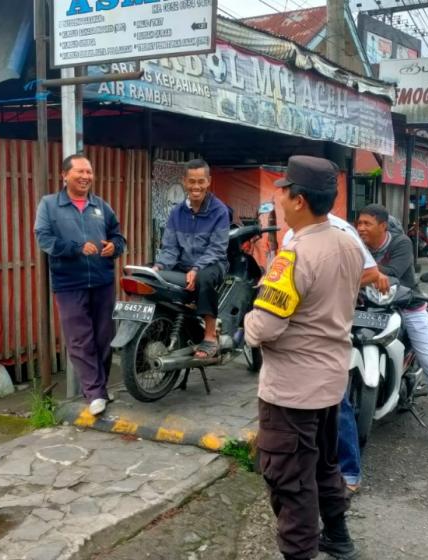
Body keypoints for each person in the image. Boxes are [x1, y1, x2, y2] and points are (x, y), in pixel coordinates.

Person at [245, 155, 365, 560]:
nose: (278, 198)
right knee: (325, 467)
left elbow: (264, 328)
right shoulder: (348, 243)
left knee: (290, 482)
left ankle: (302, 552)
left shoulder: (294, 256)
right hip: (330, 383)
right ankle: (338, 537)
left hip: (291, 393)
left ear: (298, 200)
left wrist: (246, 323)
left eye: (283, 191)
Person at [282, 216, 388, 495]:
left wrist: (331, 289)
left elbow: (370, 271)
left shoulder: (341, 231)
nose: (284, 200)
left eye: (289, 192)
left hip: (328, 329)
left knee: (336, 401)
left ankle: (349, 469)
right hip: (296, 332)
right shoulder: (291, 234)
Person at [356, 204, 428, 447]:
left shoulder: (401, 243)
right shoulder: (357, 245)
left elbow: (392, 273)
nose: (361, 228)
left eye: (367, 224)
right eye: (359, 224)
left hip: (407, 305)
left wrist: (360, 270)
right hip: (370, 306)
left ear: (382, 225)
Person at [34, 154, 126, 416]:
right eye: (80, 172)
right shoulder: (50, 205)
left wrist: (114, 247)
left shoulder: (101, 206)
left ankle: (101, 387)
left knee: (104, 337)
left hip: (102, 280)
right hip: (69, 282)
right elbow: (44, 238)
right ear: (65, 175)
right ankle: (95, 392)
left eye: (89, 172)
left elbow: (118, 236)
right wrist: (75, 249)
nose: (86, 177)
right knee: (80, 340)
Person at [152, 159, 230, 358]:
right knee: (152, 275)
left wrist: (196, 269)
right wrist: (159, 266)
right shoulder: (176, 212)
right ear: (184, 182)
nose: (196, 187)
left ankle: (210, 336)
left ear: (209, 182)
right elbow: (170, 248)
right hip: (183, 264)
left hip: (213, 263)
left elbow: (217, 249)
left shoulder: (219, 210)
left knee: (204, 278)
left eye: (201, 181)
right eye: (192, 181)